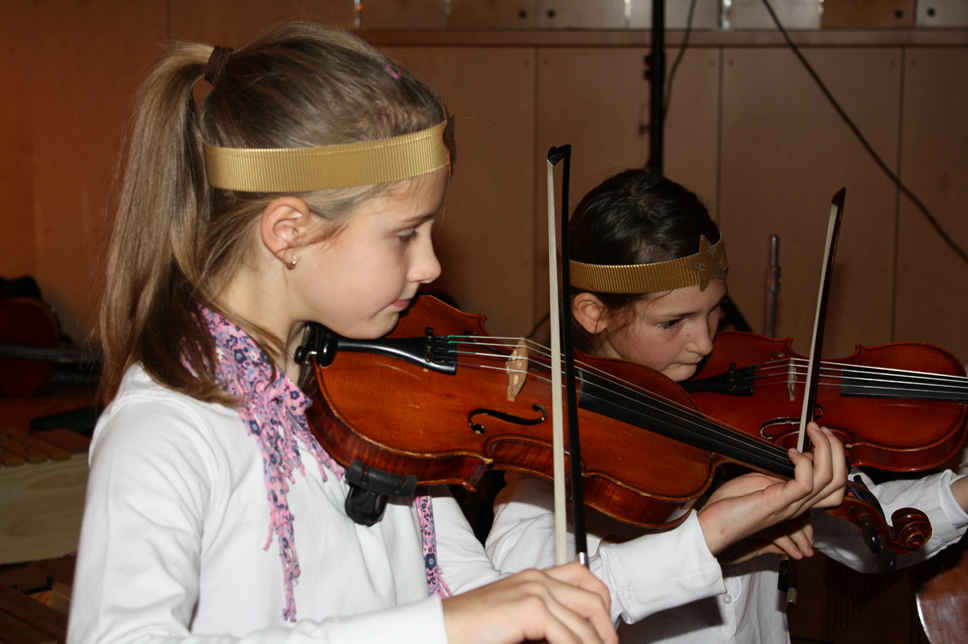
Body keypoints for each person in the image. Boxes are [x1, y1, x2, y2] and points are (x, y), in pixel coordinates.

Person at [67, 23, 619, 644]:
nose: (431, 265)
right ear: (290, 232)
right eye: (406, 234)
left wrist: (685, 553)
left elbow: (471, 591)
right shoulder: (165, 428)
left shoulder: (376, 390)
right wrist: (445, 625)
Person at [485, 169, 968, 642]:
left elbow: (869, 531)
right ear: (594, 313)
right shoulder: (557, 436)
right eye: (672, 322)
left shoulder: (749, 410)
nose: (704, 342)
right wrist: (707, 541)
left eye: (714, 309)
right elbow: (524, 589)